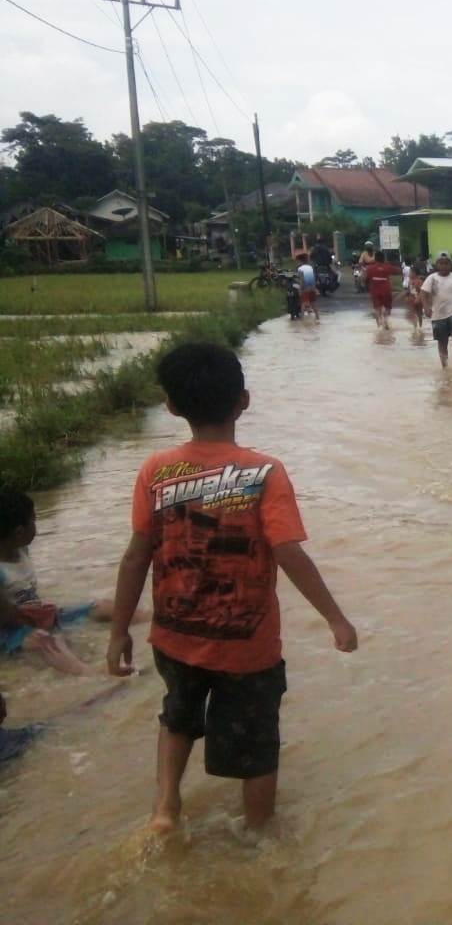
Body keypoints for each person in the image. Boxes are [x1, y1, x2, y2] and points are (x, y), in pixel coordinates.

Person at [108, 342, 358, 833]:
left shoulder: (155, 470)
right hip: (248, 649)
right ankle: (259, 832)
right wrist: (335, 617)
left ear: (172, 405)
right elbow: (288, 553)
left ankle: (164, 809)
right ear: (243, 400)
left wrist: (119, 630)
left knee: (176, 719)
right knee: (257, 745)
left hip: (175, 638)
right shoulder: (264, 472)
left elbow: (136, 555)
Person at [0, 490, 139, 676]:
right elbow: (6, 617)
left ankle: (154, 619)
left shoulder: (21, 548)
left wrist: (44, 615)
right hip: (10, 629)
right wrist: (38, 622)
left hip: (36, 614)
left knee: (102, 606)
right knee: (47, 641)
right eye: (33, 521)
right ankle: (90, 674)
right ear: (18, 532)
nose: (37, 527)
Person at [423, 251, 452, 367]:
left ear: (450, 265)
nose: (443, 266)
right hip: (438, 315)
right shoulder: (431, 278)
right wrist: (426, 307)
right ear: (436, 265)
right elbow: (423, 293)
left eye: (446, 263)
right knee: (442, 342)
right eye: (441, 263)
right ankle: (445, 366)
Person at [365, 250, 396, 329]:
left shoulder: (370, 268)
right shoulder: (387, 267)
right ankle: (385, 320)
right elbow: (398, 271)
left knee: (377, 309)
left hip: (375, 292)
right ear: (383, 258)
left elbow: (365, 278)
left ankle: (379, 326)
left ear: (375, 259)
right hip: (386, 291)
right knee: (388, 308)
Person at [402, 255, 424, 332]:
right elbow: (408, 290)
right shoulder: (409, 281)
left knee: (419, 313)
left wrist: (419, 298)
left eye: (411, 272)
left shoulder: (419, 281)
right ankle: (415, 328)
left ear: (415, 273)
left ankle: (420, 327)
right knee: (413, 313)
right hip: (412, 299)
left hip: (418, 299)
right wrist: (406, 297)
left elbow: (422, 291)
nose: (410, 273)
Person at [293, 254, 319, 321]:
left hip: (305, 289)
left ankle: (302, 320)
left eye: (297, 261)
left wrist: (300, 290)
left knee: (303, 304)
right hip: (312, 288)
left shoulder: (300, 269)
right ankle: (317, 317)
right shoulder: (310, 267)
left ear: (299, 261)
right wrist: (315, 288)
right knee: (313, 304)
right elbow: (313, 278)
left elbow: (301, 280)